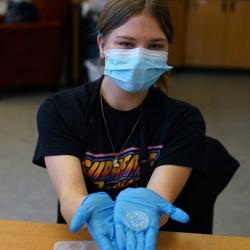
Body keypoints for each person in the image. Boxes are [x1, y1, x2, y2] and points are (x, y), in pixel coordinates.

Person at [32, 0, 209, 249]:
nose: (139, 56)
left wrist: (145, 212)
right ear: (102, 46)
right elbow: (70, 197)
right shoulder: (61, 111)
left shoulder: (184, 120)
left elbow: (159, 205)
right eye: (126, 43)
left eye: (154, 45)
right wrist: (83, 208)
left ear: (167, 49)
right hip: (86, 239)